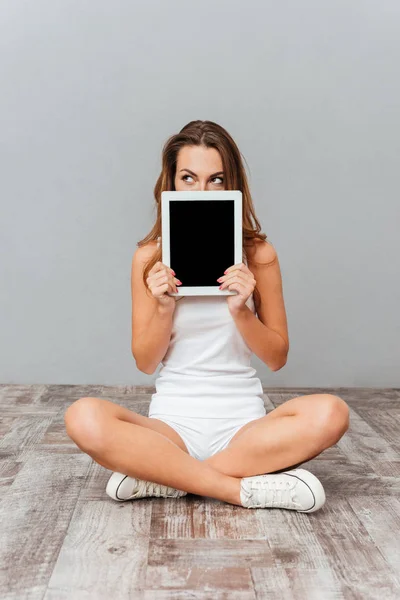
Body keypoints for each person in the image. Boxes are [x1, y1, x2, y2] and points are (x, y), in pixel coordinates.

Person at [64, 120, 350, 512]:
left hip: (245, 431)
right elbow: (146, 363)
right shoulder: (149, 258)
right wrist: (163, 306)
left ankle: (166, 477)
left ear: (232, 184)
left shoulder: (260, 255)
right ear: (172, 183)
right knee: (83, 417)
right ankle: (236, 489)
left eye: (216, 179)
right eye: (189, 178)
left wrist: (242, 311)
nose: (202, 191)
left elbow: (277, 357)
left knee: (331, 413)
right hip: (171, 430)